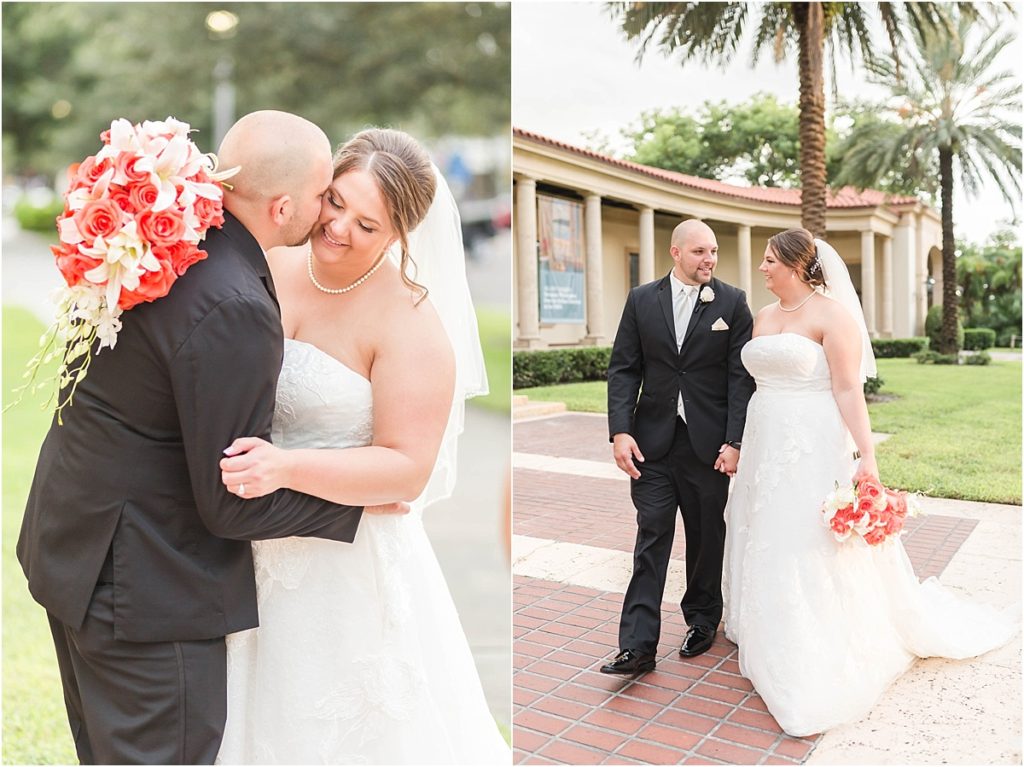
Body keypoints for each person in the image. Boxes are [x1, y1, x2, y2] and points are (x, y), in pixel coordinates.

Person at [16, 111, 407, 764]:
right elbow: (230, 502)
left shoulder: (168, 237)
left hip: (75, 549)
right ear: (283, 206)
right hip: (144, 592)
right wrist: (358, 506)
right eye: (324, 197)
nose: (328, 215)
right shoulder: (235, 306)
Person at [212, 128, 510, 764]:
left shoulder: (409, 324)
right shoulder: (270, 263)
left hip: (342, 566)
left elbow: (406, 468)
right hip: (243, 546)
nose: (338, 227)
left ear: (400, 234)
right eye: (335, 202)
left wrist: (285, 466)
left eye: (367, 224)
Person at [722, 227, 1018, 736]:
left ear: (796, 264)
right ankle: (760, 622)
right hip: (766, 437)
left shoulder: (832, 315)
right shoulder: (764, 317)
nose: (763, 268)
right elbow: (752, 382)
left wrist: (866, 458)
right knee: (762, 526)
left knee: (804, 533)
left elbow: (846, 388)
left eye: (771, 260)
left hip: (812, 441)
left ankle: (811, 637)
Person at [601, 219, 755, 675]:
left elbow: (739, 378)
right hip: (651, 444)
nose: (709, 259)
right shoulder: (641, 300)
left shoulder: (733, 302)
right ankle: (637, 646)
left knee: (707, 536)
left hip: (709, 447)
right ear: (675, 252)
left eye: (713, 252)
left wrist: (735, 441)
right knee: (652, 536)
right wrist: (620, 431)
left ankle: (702, 619)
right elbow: (624, 369)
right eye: (699, 252)